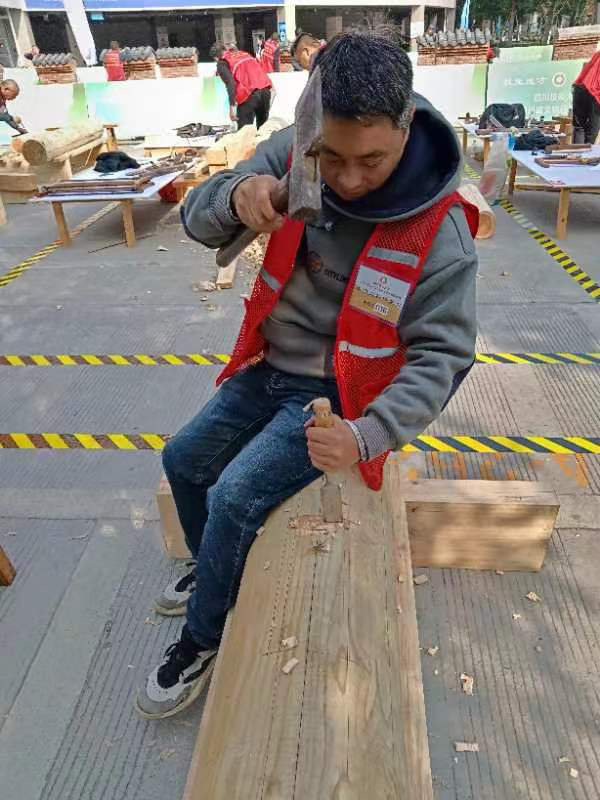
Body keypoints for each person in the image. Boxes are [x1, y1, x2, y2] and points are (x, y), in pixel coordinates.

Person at [135, 29, 478, 720]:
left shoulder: (439, 229)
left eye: (370, 160)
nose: (346, 179)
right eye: (331, 157)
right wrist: (238, 195)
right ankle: (212, 568)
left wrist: (368, 434)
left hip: (339, 395)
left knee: (236, 497)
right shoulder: (296, 150)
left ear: (406, 127)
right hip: (270, 365)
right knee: (184, 461)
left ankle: (203, 637)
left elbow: (443, 356)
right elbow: (197, 220)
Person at [210, 42, 272, 129]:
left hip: (248, 95)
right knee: (263, 130)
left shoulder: (222, 63)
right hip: (265, 90)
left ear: (216, 58)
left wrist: (232, 107)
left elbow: (231, 83)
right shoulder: (245, 54)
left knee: (244, 131)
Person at [572, 50, 600, 144]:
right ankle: (585, 151)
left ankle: (578, 152)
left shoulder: (597, 54)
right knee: (591, 132)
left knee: (580, 128)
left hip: (581, 88)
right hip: (593, 94)